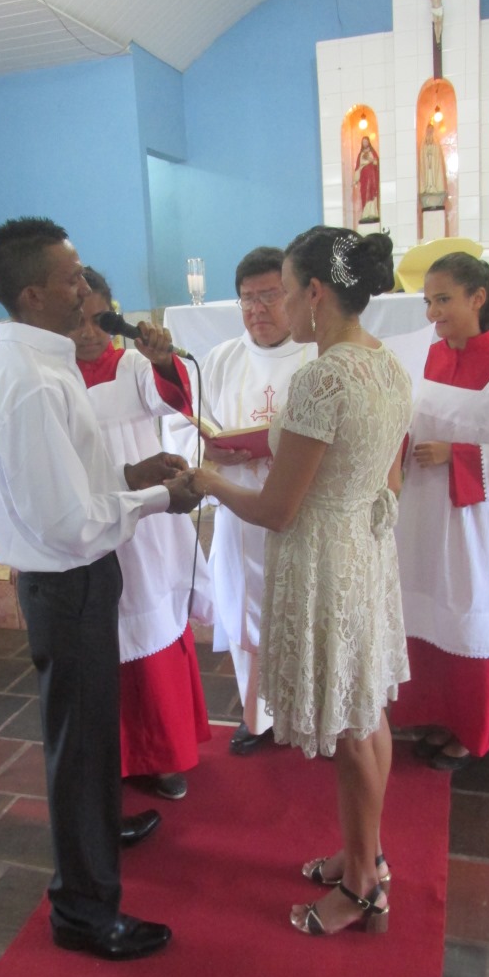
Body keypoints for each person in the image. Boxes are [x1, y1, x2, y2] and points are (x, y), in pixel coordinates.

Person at [0, 217, 201, 962]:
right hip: (65, 580)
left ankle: (102, 825)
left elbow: (73, 476)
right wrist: (158, 500)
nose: (86, 287)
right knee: (77, 744)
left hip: (73, 578)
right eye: (72, 277)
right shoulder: (32, 382)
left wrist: (127, 476)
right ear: (34, 293)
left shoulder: (43, 363)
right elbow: (70, 524)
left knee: (91, 730)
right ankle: (83, 909)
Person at [192, 226, 412, 937]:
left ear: (314, 293)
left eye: (283, 291)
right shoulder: (384, 363)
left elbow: (276, 509)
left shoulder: (321, 377)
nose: (278, 305)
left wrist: (206, 480)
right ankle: (363, 853)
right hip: (363, 549)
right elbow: (389, 475)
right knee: (365, 708)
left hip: (323, 558)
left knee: (351, 730)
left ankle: (361, 886)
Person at [390, 252, 489, 770]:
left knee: (469, 617)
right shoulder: (426, 360)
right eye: (428, 301)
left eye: (444, 299)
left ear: (478, 298)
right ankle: (435, 713)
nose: (433, 313)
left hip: (480, 528)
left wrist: (456, 456)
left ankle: (470, 730)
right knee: (428, 611)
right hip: (423, 519)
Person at [69, 266, 213, 802]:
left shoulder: (130, 363)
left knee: (147, 621)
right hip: (83, 516)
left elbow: (172, 399)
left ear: (113, 313)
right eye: (77, 321)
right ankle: (114, 755)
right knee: (98, 634)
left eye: (98, 319)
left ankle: (161, 753)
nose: (88, 333)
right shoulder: (53, 374)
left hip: (143, 518)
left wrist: (161, 361)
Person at [194, 247, 314, 755]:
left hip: (299, 515)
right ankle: (258, 714)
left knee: (302, 616)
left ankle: (309, 716)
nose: (257, 309)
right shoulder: (223, 358)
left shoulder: (316, 356)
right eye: (247, 298)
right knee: (247, 611)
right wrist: (207, 448)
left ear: (295, 295)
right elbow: (194, 427)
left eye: (269, 296)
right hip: (240, 513)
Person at [418, 123, 447, 210]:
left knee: (433, 175)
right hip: (427, 168)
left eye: (431, 130)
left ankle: (434, 187)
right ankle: (428, 187)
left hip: (433, 167)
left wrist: (432, 153)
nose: (430, 132)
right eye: (428, 130)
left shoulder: (436, 143)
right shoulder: (423, 144)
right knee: (428, 176)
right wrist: (427, 153)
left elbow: (437, 157)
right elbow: (422, 159)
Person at [353, 136, 380, 224]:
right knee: (365, 194)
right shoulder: (360, 154)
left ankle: (372, 212)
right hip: (364, 177)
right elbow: (357, 167)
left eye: (366, 141)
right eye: (363, 142)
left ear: (368, 142)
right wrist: (355, 180)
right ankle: (365, 213)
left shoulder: (372, 152)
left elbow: (376, 163)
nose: (365, 143)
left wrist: (371, 160)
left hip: (372, 176)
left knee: (372, 193)